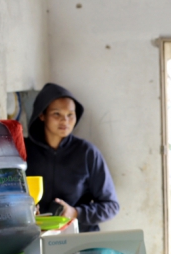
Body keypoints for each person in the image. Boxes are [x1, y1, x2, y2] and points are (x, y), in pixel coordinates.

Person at [25, 83, 119, 232]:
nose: (65, 121)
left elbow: (111, 206)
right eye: (57, 114)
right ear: (42, 115)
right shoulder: (23, 151)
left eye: (70, 115)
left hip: (81, 242)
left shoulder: (87, 153)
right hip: (37, 239)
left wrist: (75, 212)